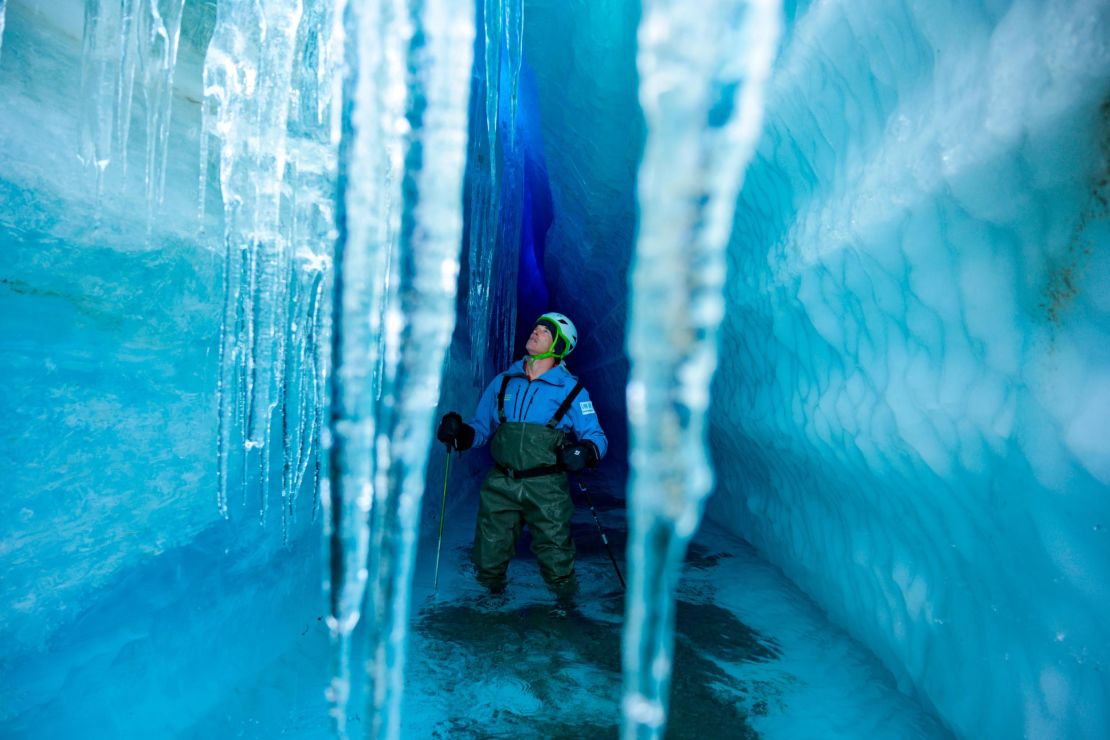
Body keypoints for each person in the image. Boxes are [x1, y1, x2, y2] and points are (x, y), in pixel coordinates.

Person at [436, 312, 607, 604]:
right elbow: (480, 429)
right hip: (502, 482)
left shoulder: (572, 390)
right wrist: (459, 434)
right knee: (489, 551)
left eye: (545, 331)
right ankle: (490, 602)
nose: (536, 332)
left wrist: (586, 451)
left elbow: (597, 436)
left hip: (547, 487)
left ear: (560, 346)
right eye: (536, 326)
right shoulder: (504, 382)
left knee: (555, 552)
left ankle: (564, 606)